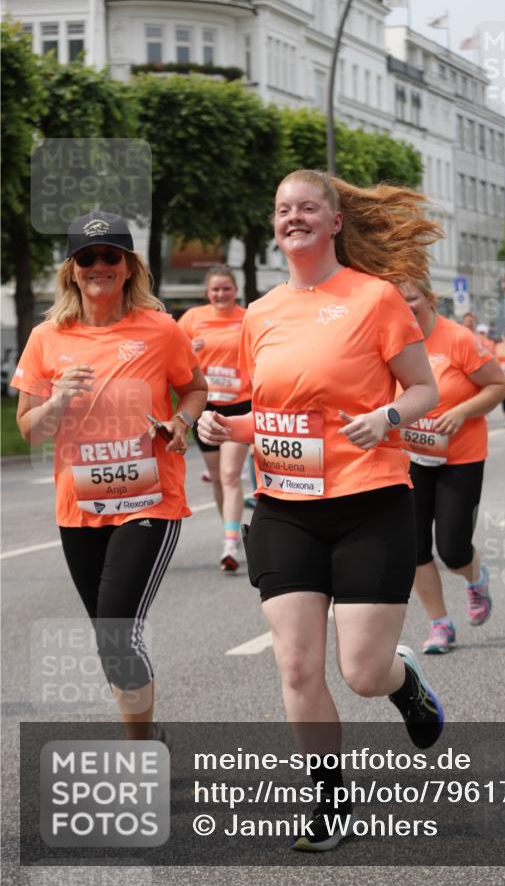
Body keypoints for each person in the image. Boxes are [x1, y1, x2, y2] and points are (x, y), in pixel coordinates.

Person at [198, 170, 444, 851]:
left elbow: (422, 388)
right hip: (285, 506)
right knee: (298, 665)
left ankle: (405, 682)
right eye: (282, 209)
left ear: (334, 222)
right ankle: (330, 800)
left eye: (307, 207)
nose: (293, 218)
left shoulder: (375, 299)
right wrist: (226, 427)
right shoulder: (262, 312)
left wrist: (387, 413)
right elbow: (273, 414)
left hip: (369, 501)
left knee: (361, 673)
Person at [11, 213, 207, 738]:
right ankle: (149, 732)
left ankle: (140, 748)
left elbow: (195, 388)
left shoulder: (160, 329)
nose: (98, 267)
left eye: (109, 257)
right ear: (72, 271)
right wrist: (56, 399)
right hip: (80, 507)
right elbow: (29, 430)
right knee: (107, 636)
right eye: (86, 258)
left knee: (118, 630)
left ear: (128, 268)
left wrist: (180, 421)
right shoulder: (46, 337)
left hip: (150, 499)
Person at [398, 280, 505, 654]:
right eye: (396, 302)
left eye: (410, 299)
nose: (405, 307)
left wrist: (462, 412)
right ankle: (439, 624)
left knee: (453, 548)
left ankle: (475, 579)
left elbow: (498, 386)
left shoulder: (458, 339)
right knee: (412, 546)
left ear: (429, 299)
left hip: (460, 457)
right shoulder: (392, 342)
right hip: (411, 456)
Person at [178, 265, 251, 570]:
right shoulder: (193, 319)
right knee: (219, 479)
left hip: (240, 404)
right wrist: (187, 352)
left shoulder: (249, 318)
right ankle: (230, 532)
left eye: (227, 289)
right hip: (206, 406)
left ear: (236, 290)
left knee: (231, 474)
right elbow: (174, 361)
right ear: (207, 293)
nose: (221, 294)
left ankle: (230, 544)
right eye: (215, 290)